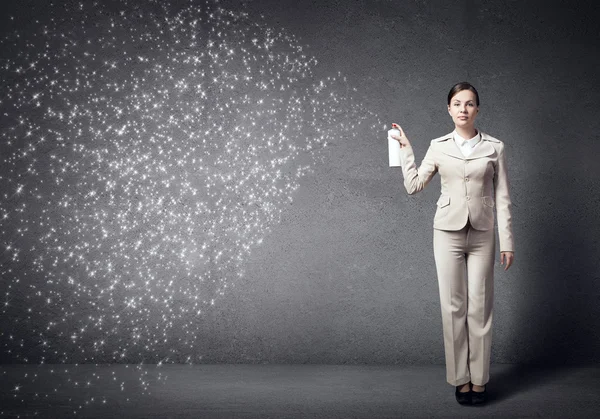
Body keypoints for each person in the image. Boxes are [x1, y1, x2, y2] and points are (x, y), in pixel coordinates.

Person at [389, 82, 514, 406]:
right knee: (453, 307)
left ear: (477, 110)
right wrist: (405, 149)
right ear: (449, 109)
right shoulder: (438, 146)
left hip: (484, 234)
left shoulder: (495, 147)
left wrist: (508, 243)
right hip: (447, 233)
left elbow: (503, 198)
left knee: (480, 308)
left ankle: (479, 380)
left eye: (469, 104)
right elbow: (414, 186)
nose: (463, 109)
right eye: (457, 104)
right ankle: (461, 379)